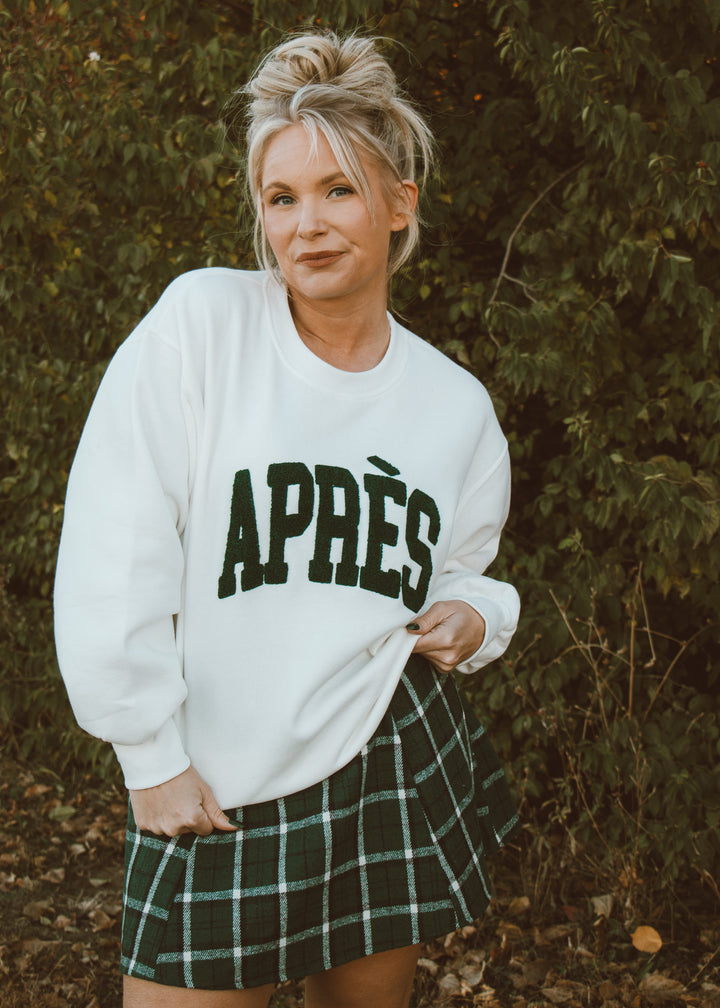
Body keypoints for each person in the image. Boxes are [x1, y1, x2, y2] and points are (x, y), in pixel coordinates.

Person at [54, 31, 521, 1008]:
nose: (308, 223)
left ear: (401, 204)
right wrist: (148, 753)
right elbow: (117, 540)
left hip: (379, 760)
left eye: (339, 190)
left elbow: (464, 573)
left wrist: (480, 617)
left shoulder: (456, 409)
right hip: (215, 784)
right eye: (282, 197)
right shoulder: (203, 329)